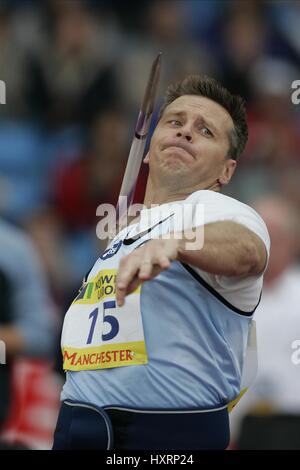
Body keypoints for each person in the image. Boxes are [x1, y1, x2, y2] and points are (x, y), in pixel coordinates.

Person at [53, 75, 270, 450]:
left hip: (162, 437)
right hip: (77, 427)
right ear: (149, 149)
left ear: (227, 171)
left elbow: (248, 251)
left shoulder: (212, 209)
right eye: (175, 122)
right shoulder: (122, 230)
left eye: (204, 131)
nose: (186, 132)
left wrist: (176, 243)